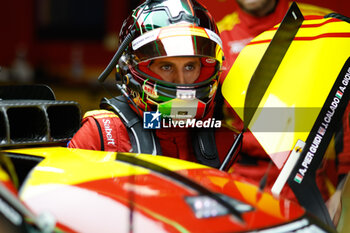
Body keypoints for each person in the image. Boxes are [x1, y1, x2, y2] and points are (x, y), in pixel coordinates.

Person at [68, 0, 236, 168]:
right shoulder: (101, 136)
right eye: (166, 66)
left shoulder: (226, 138)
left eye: (190, 66)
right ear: (130, 67)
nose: (181, 81)